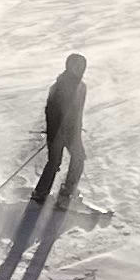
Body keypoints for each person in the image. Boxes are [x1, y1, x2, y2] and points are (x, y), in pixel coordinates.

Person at [33, 50, 88, 211]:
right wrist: (55, 132)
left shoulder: (81, 86)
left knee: (78, 159)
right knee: (55, 162)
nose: (78, 69)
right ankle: (42, 193)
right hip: (58, 132)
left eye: (81, 66)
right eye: (75, 65)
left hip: (72, 133)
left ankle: (65, 193)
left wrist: (76, 128)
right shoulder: (59, 85)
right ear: (68, 66)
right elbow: (50, 110)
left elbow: (77, 111)